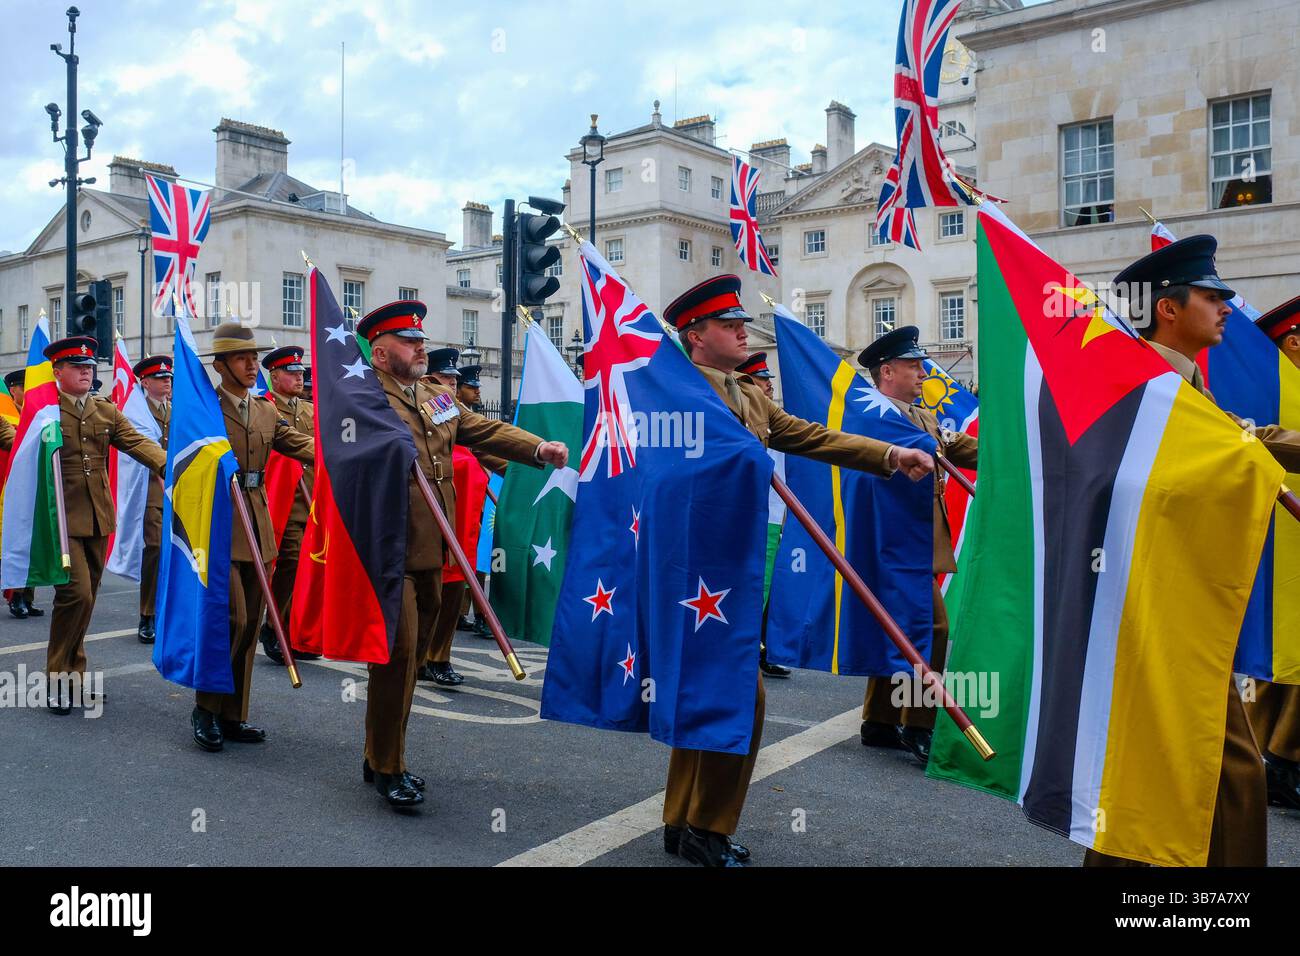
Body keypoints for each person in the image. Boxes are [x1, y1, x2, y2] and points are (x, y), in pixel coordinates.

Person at [660, 275, 935, 866]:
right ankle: (706, 828)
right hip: (687, 569)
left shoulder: (750, 394)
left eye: (742, 320)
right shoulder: (670, 390)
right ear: (695, 336)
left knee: (711, 694)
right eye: (728, 324)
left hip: (730, 565)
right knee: (738, 696)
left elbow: (807, 435)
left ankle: (682, 820)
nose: (742, 330)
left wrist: (889, 454)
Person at [1095, 235, 1300, 866]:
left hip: (1183, 595)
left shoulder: (1182, 385)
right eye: (1213, 297)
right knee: (1211, 767)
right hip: (1150, 599)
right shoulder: (1142, 384)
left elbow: (1241, 439)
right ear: (1169, 308)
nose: (1226, 309)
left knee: (1189, 765)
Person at [357, 300, 568, 810]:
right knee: (400, 656)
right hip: (387, 547)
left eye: (421, 338)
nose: (421, 347)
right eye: (409, 342)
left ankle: (378, 752)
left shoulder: (434, 396)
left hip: (436, 545)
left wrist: (537, 448)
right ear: (381, 354)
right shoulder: (363, 398)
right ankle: (388, 766)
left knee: (412, 659)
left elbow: (482, 430)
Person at [856, 327, 978, 766]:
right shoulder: (868, 415)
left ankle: (880, 720)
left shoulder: (922, 416)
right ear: (887, 371)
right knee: (933, 627)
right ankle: (919, 724)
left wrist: (1011, 450)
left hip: (917, 539)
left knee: (898, 625)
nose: (923, 371)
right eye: (913, 365)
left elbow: (956, 447)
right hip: (889, 539)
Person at [190, 323, 314, 752]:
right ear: (220, 365)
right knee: (233, 620)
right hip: (221, 520)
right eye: (242, 358)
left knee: (248, 623)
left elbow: (297, 443)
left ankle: (233, 713)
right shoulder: (204, 408)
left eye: (253, 357)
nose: (250, 365)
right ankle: (205, 708)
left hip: (257, 519)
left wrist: (347, 453)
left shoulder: (264, 410)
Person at [42, 336, 167, 714]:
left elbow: (137, 443)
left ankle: (74, 676)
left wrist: (174, 467)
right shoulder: (46, 412)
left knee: (88, 599)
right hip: (61, 518)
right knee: (74, 595)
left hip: (98, 516)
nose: (86, 371)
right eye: (77, 366)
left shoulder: (105, 411)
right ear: (57, 371)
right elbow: (19, 445)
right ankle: (55, 678)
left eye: (89, 366)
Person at [418, 364, 506, 686]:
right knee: (425, 595)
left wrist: (529, 472)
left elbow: (489, 448)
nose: (453, 385)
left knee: (454, 590)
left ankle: (439, 656)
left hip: (463, 525)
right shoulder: (420, 414)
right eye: (446, 379)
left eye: (456, 380)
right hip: (427, 522)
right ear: (428, 381)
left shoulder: (457, 418)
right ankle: (416, 656)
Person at [1247, 294, 1300, 810]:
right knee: (1279, 650)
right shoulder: (1274, 388)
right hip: (1276, 533)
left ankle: (1277, 757)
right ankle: (1277, 759)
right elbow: (1255, 436)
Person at [257, 345, 319, 665]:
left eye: (301, 373)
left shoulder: (309, 411)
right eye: (292, 373)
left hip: (310, 502)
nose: (299, 377)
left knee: (305, 570)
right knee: (286, 565)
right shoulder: (265, 408)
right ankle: (273, 625)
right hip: (278, 501)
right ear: (274, 376)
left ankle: (293, 631)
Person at [735, 351, 792, 680]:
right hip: (752, 516)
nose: (769, 385)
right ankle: (749, 651)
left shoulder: (770, 416)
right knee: (755, 587)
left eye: (769, 380)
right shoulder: (740, 417)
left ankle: (765, 649)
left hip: (775, 514)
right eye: (762, 380)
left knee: (771, 587)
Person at [132, 354, 173, 644]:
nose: (166, 381)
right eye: (160, 378)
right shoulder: (139, 411)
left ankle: (170, 612)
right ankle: (148, 614)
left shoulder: (177, 408)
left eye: (169, 377)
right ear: (145, 382)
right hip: (152, 491)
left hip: (180, 491)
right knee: (155, 548)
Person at [5, 368, 42, 620]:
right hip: (8, 487)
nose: (27, 392)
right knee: (16, 542)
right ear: (12, 390)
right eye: (22, 387)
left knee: (32, 540)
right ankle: (15, 596)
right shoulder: (6, 416)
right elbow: (14, 442)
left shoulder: (38, 415)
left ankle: (27, 597)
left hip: (33, 484)